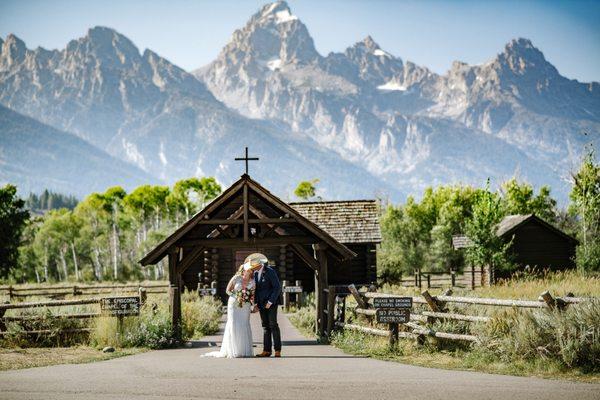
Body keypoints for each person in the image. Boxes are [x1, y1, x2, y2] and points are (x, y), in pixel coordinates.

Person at [201, 263, 255, 358]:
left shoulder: (253, 282)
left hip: (245, 306)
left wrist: (251, 304)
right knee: (233, 323)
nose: (249, 271)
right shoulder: (236, 278)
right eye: (247, 269)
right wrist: (237, 296)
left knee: (244, 324)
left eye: (250, 270)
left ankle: (244, 351)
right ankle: (233, 350)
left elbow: (252, 296)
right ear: (243, 270)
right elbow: (228, 290)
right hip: (234, 304)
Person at [250, 253, 282, 357]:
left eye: (254, 265)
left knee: (273, 325)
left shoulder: (270, 271)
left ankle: (277, 350)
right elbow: (257, 290)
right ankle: (266, 351)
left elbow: (277, 287)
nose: (252, 267)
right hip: (261, 304)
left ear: (259, 264)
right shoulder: (255, 274)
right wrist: (255, 303)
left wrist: (270, 302)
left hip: (271, 303)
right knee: (265, 327)